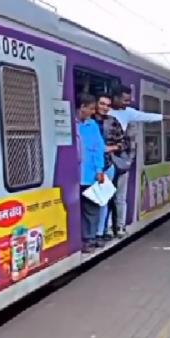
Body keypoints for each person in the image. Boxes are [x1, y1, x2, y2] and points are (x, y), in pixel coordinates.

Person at [107, 85, 170, 237]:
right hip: (106, 162)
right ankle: (108, 228)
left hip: (121, 161)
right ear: (115, 98)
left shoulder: (128, 113)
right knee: (106, 196)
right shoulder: (106, 113)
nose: (127, 103)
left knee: (120, 196)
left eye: (129, 100)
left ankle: (119, 226)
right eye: (125, 100)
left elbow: (148, 116)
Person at [75, 93, 107, 252]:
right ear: (82, 107)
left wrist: (99, 170)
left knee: (91, 208)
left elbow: (98, 149)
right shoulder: (70, 124)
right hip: (72, 175)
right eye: (91, 108)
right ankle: (80, 239)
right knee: (76, 209)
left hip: (89, 175)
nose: (93, 111)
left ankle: (89, 238)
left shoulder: (92, 125)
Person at [93, 94, 124, 243]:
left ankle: (101, 232)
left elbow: (122, 144)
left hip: (107, 165)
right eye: (102, 104)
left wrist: (109, 148)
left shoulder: (113, 122)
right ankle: (95, 232)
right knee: (92, 202)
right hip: (90, 167)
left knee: (103, 200)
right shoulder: (88, 121)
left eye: (107, 105)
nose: (104, 107)